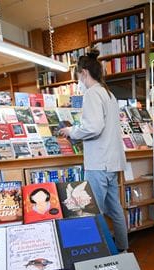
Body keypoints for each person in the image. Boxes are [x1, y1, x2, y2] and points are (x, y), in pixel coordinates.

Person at [59, 49, 129, 252]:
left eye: (77, 77)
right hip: (112, 162)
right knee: (114, 208)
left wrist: (72, 131)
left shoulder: (91, 94)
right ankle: (122, 248)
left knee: (93, 209)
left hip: (98, 162)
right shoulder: (108, 93)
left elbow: (93, 127)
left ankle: (101, 250)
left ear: (84, 73)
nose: (78, 82)